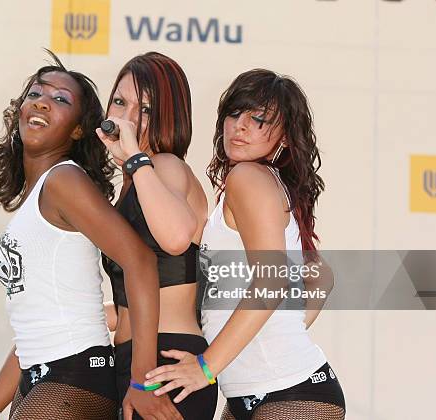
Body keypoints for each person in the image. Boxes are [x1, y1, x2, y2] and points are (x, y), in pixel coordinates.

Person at [0, 50, 180, 420]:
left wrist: (142, 382)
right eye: (35, 93)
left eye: (60, 99)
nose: (42, 103)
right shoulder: (41, 195)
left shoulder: (64, 180)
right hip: (41, 378)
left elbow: (141, 261)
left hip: (72, 378)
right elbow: (31, 329)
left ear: (79, 128)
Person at [144, 69, 346, 420]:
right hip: (261, 395)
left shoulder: (248, 178)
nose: (239, 125)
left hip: (288, 394)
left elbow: (272, 280)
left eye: (259, 120)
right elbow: (320, 277)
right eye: (234, 114)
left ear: (284, 137)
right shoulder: (262, 184)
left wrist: (206, 367)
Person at [96, 52, 217, 419]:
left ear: (170, 114)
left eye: (146, 109)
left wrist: (134, 156)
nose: (129, 117)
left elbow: (176, 237)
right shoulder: (134, 183)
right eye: (120, 102)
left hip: (163, 365)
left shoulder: (166, 166)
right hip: (130, 363)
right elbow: (132, 298)